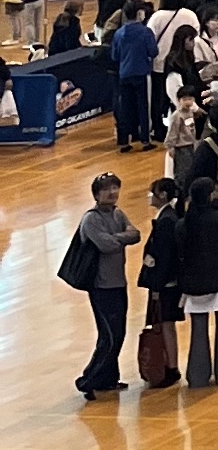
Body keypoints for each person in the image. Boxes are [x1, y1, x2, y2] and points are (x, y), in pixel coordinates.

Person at [66, 170, 138, 399]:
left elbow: (135, 234)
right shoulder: (91, 219)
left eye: (115, 187)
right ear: (96, 194)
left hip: (118, 283)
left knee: (118, 333)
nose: (112, 192)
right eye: (107, 189)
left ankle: (109, 379)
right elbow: (107, 245)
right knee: (110, 335)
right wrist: (121, 238)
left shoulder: (118, 213)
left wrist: (117, 238)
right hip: (101, 286)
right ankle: (88, 380)